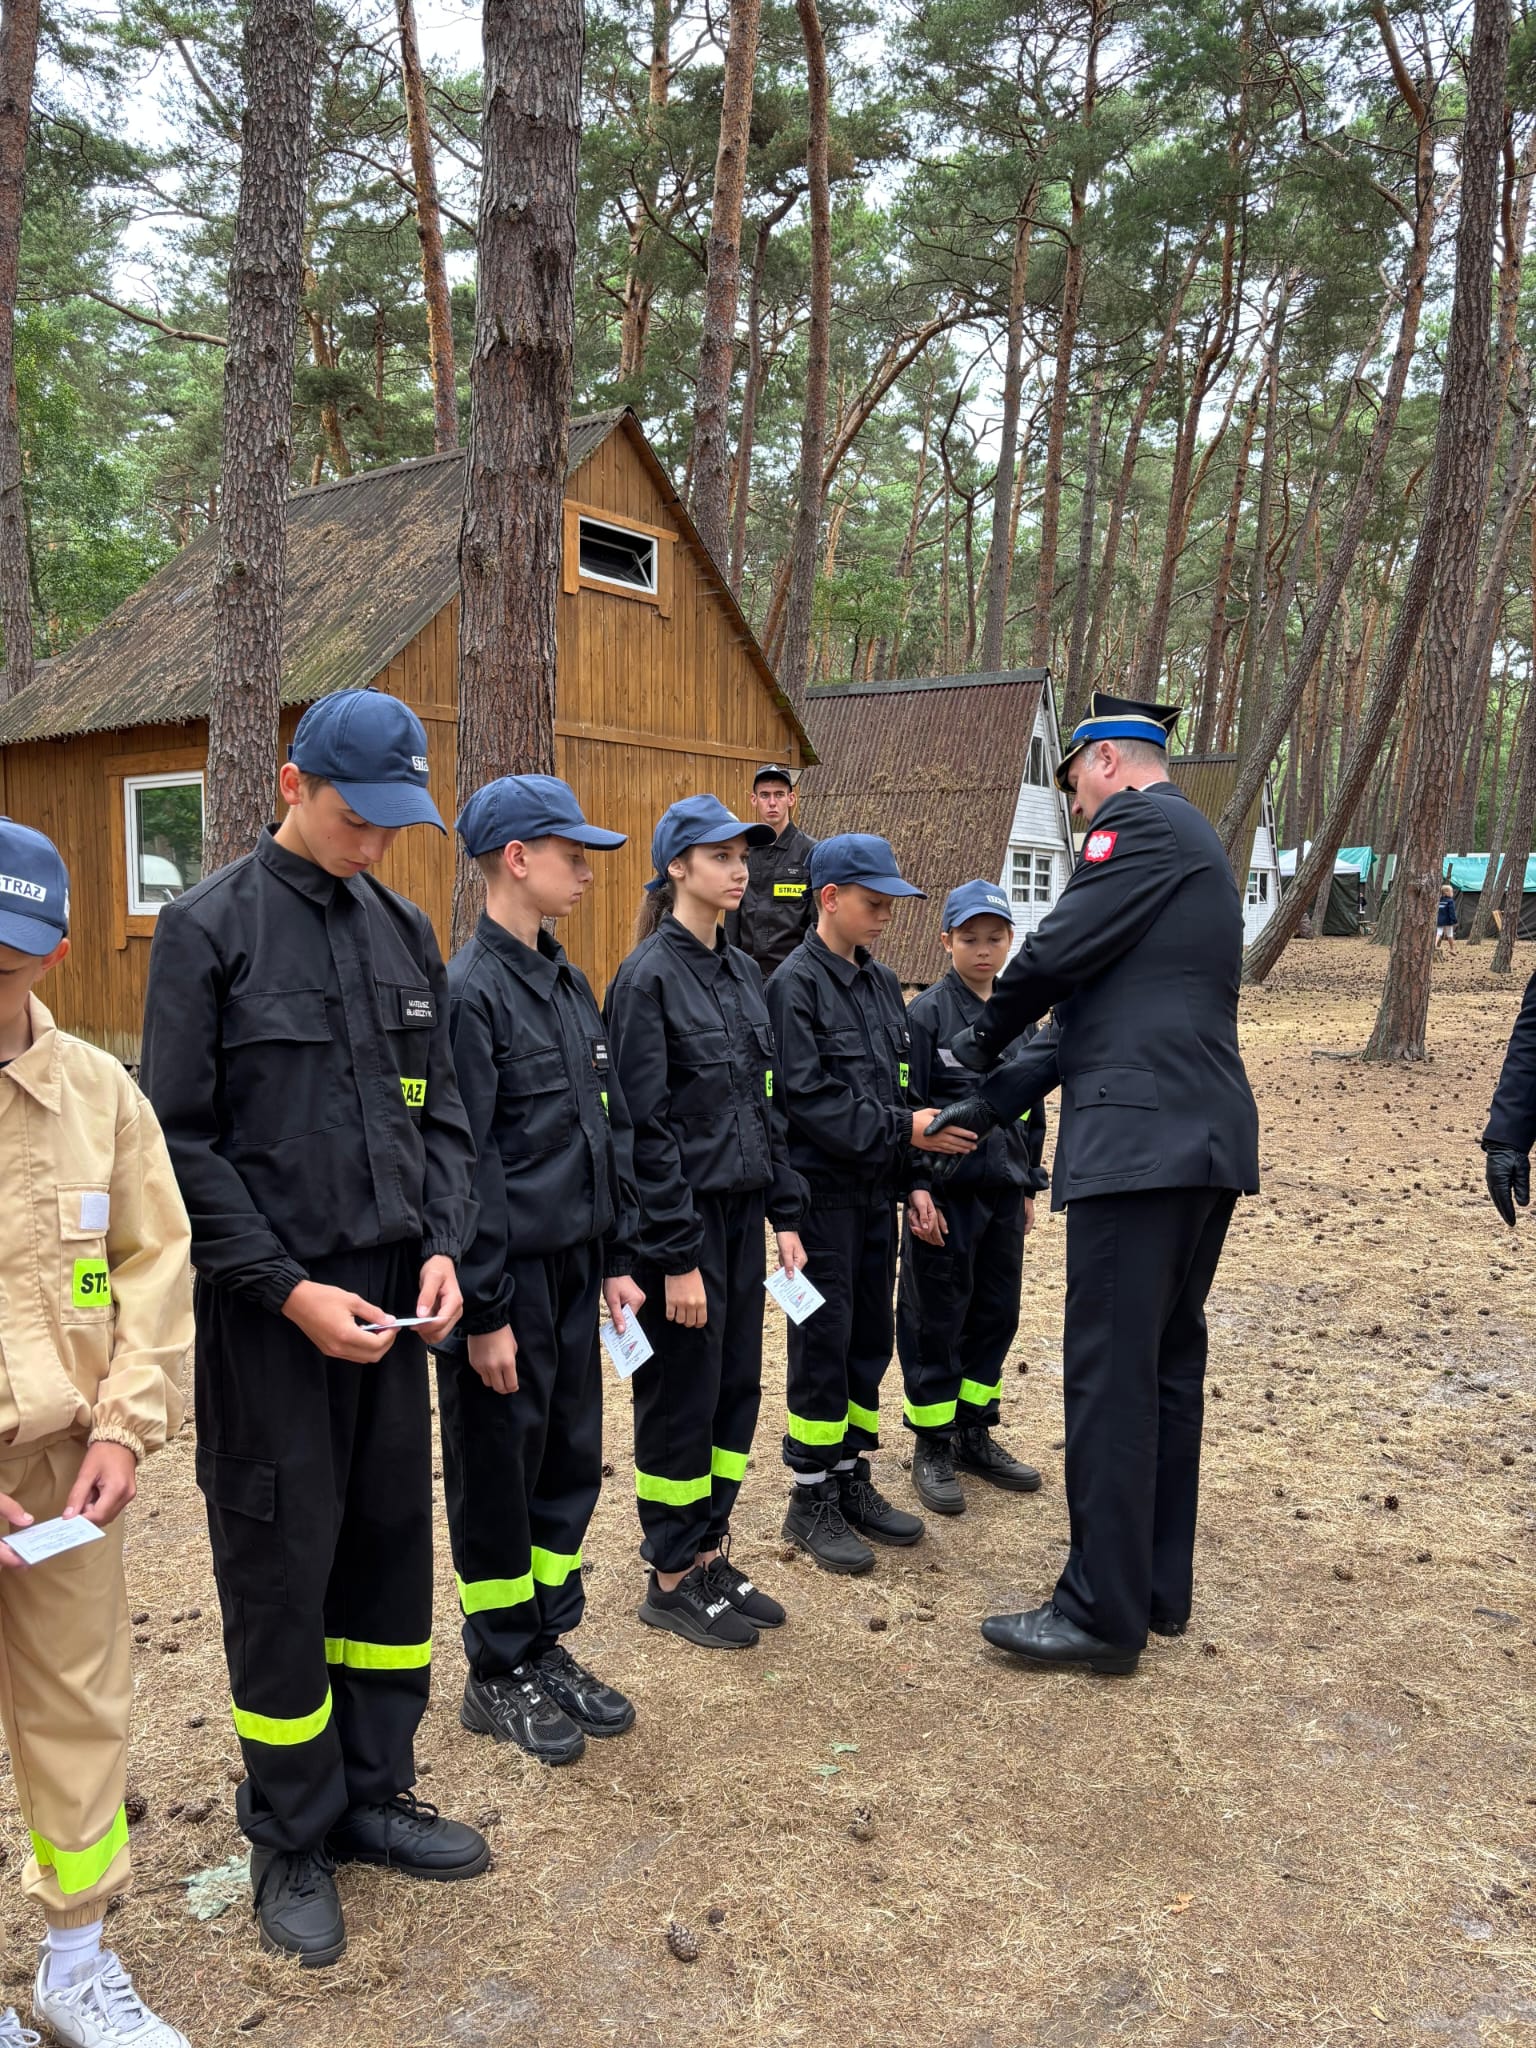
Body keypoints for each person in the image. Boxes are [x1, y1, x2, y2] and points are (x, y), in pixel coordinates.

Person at [140, 690, 487, 1969]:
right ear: (291, 785)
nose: (375, 840)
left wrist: (443, 1242)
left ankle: (372, 1790)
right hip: (273, 1315)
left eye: (396, 821)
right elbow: (180, 1144)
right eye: (355, 815)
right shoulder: (207, 929)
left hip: (393, 1300)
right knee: (282, 1572)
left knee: (387, 1552)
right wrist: (289, 1290)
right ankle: (289, 1829)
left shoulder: (404, 929)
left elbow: (445, 1114)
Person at [942, 692, 1260, 1674]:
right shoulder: (1188, 844)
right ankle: (1152, 1589)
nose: (1074, 801)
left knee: (1111, 1377)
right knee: (1161, 1369)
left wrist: (978, 1033)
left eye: (1075, 777)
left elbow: (1053, 955)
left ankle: (1097, 1613)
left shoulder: (1140, 827)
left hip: (1140, 1145)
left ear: (1109, 761)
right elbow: (1085, 1017)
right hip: (1193, 1140)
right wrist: (986, 1103)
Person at [0, 820, 194, 2048]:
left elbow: (153, 1262)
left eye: (4, 962)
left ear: (54, 952)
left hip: (66, 1475)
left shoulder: (100, 1094)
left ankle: (75, 1962)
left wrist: (125, 1428)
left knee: (80, 1705)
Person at [437, 775, 646, 1763]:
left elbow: (607, 1126)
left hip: (574, 1269)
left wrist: (617, 1256)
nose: (587, 872)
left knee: (566, 1460)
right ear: (516, 859)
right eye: (572, 854)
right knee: (499, 1473)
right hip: (507, 1283)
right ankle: (495, 1666)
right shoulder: (469, 992)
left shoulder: (567, 984)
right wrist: (483, 1312)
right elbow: (465, 1163)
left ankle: (544, 1639)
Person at [604, 794, 809, 1648]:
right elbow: (644, 1131)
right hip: (679, 1230)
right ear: (677, 867)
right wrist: (676, 1258)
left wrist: (785, 1214)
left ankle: (708, 1550)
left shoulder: (743, 973)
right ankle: (669, 1574)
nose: (739, 870)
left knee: (733, 1389)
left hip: (740, 1216)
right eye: (721, 856)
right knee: (681, 1397)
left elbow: (767, 1104)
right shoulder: (647, 978)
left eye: (744, 856)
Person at [764, 833, 978, 1576]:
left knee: (866, 1341)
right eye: (874, 901)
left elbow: (902, 1088)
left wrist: (914, 1178)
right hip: (820, 1199)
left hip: (875, 1197)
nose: (887, 913)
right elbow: (808, 1100)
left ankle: (850, 1474)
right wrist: (904, 1131)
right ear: (829, 899)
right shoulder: (793, 986)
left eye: (892, 901)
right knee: (822, 1344)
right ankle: (809, 1494)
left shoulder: (884, 983)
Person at [898, 881, 1048, 1515]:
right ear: (946, 942)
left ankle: (973, 1432)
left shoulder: (1021, 1017)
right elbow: (908, 1107)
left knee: (996, 1314)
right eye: (969, 938)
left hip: (1003, 1195)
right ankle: (932, 1443)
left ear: (1011, 941)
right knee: (937, 1318)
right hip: (945, 1199)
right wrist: (917, 1185)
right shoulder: (925, 1016)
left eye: (994, 938)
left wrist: (1028, 1181)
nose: (982, 950)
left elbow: (1031, 1108)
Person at [722, 764, 818, 977]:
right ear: (754, 800)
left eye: (779, 795)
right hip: (747, 976)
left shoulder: (810, 853)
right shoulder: (743, 852)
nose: (772, 802)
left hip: (794, 977)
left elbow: (816, 923)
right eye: (765, 795)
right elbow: (732, 918)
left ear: (791, 799)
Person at [1435, 883, 1458, 958]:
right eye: (1451, 891)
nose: (1452, 893)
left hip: (1439, 920)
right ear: (1446, 892)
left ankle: (1434, 944)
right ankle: (1452, 949)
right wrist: (1454, 921)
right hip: (1448, 921)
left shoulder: (1439, 900)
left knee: (1439, 933)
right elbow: (1452, 912)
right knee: (1450, 935)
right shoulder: (1450, 901)